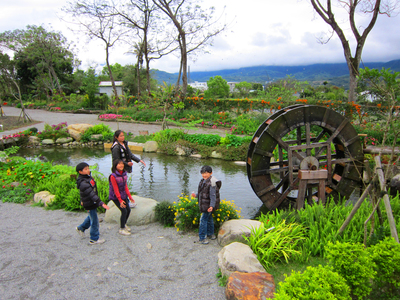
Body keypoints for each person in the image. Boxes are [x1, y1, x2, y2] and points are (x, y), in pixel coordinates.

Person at [75, 162, 109, 245]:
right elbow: (91, 193)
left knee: (91, 216)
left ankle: (81, 228)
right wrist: (100, 203)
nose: (88, 170)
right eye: (86, 169)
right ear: (80, 172)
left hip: (91, 202)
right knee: (94, 221)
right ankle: (93, 239)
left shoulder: (87, 177)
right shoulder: (83, 182)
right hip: (90, 203)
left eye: (88, 168)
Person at [191, 165, 222, 245]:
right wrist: (196, 195)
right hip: (206, 204)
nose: (204, 175)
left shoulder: (212, 183)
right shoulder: (203, 181)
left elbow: (213, 196)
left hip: (208, 206)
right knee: (209, 219)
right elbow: (202, 193)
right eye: (202, 173)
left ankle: (202, 238)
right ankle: (211, 234)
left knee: (203, 220)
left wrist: (211, 206)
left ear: (211, 173)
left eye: (206, 173)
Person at [109, 159, 136, 236]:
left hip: (123, 195)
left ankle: (124, 224)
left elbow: (125, 187)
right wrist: (120, 200)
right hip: (115, 197)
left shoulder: (124, 174)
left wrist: (130, 197)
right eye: (119, 164)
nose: (121, 165)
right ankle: (122, 229)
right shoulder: (113, 176)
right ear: (115, 166)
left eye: (122, 164)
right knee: (124, 211)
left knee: (128, 210)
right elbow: (115, 189)